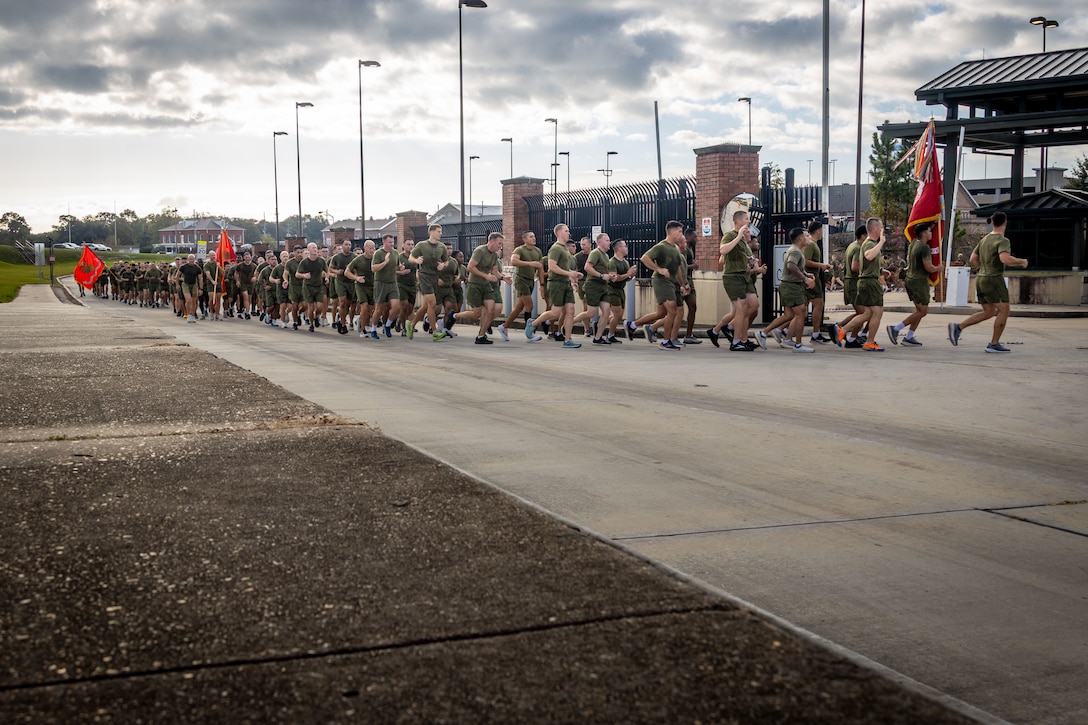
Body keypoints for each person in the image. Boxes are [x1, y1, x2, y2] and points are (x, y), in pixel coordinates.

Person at [948, 212, 1028, 353]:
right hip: (994, 279)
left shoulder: (984, 240)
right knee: (1005, 310)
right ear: (1005, 223)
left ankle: (958, 327)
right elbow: (1005, 259)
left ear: (992, 223)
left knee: (988, 312)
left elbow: (973, 258)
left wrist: (982, 268)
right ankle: (994, 343)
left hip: (981, 278)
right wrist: (1021, 261)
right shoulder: (1003, 240)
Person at [707, 211, 759, 351]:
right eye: (746, 219)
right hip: (733, 276)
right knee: (741, 307)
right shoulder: (730, 235)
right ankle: (736, 342)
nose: (748, 221)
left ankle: (730, 327)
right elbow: (723, 251)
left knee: (753, 305)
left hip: (744, 276)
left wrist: (754, 262)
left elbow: (749, 258)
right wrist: (739, 236)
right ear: (739, 221)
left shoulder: (744, 241)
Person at [886, 222, 943, 346]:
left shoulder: (913, 244)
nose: (931, 233)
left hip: (911, 279)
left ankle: (909, 337)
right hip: (919, 281)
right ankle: (896, 329)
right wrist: (938, 268)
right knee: (923, 311)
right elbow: (928, 267)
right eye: (929, 231)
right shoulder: (924, 247)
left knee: (919, 311)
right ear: (923, 233)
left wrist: (933, 223)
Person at [526, 223, 582, 348]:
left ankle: (568, 340)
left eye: (568, 231)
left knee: (570, 311)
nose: (569, 233)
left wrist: (572, 277)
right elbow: (552, 267)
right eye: (566, 231)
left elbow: (564, 267)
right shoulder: (555, 248)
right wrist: (569, 273)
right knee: (556, 313)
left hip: (565, 283)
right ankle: (533, 323)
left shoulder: (564, 249)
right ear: (559, 233)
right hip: (556, 283)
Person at [835, 218, 887, 352]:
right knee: (877, 312)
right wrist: (881, 242)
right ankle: (869, 342)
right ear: (875, 229)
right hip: (869, 282)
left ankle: (843, 330)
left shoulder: (867, 243)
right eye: (881, 227)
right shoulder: (870, 243)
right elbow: (869, 256)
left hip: (865, 281)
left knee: (867, 313)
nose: (883, 229)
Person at [760, 228, 815, 353]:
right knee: (801, 313)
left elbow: (795, 267)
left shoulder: (797, 251)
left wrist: (807, 274)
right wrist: (805, 279)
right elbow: (791, 266)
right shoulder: (795, 251)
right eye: (807, 235)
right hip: (791, 287)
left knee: (789, 315)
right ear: (800, 238)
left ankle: (764, 333)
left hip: (789, 286)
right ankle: (798, 345)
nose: (809, 237)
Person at [452, 232, 510, 344]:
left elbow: (494, 271)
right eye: (499, 243)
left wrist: (503, 278)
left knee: (491, 309)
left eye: (501, 244)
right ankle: (454, 316)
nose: (500, 246)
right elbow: (470, 267)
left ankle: (481, 336)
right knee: (476, 314)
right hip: (475, 285)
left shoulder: (494, 255)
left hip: (486, 285)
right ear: (492, 241)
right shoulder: (480, 250)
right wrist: (486, 276)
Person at [640, 220, 686, 351]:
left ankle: (637, 326)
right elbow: (645, 258)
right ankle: (666, 342)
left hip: (671, 283)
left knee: (662, 313)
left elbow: (677, 268)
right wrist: (658, 269)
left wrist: (682, 284)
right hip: (661, 281)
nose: (681, 234)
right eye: (679, 231)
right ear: (671, 232)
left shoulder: (675, 248)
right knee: (672, 310)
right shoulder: (661, 246)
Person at [499, 231, 545, 342]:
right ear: (524, 239)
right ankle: (530, 333)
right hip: (521, 279)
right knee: (530, 305)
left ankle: (504, 326)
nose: (534, 238)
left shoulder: (537, 251)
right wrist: (530, 263)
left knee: (519, 307)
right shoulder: (519, 250)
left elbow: (540, 268)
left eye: (534, 236)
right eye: (531, 237)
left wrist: (542, 284)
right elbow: (513, 261)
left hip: (531, 280)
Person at [407, 224, 450, 341]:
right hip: (424, 275)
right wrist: (416, 260)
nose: (440, 233)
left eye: (441, 231)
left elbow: (446, 261)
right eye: (438, 231)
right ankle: (435, 331)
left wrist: (443, 265)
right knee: (432, 303)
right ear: (431, 232)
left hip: (434, 276)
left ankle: (411, 325)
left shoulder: (442, 247)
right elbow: (410, 258)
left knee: (426, 305)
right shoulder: (422, 245)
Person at [572, 232, 616, 345]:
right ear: (599, 242)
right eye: (607, 240)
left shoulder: (606, 256)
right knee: (591, 312)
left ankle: (598, 337)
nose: (609, 242)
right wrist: (601, 275)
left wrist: (610, 276)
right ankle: (570, 323)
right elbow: (587, 267)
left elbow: (604, 271)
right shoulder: (595, 253)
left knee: (606, 312)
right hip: (593, 285)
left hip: (603, 286)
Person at [803, 221, 832, 343]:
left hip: (810, 277)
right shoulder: (811, 245)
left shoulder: (812, 244)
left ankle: (783, 330)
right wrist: (821, 265)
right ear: (819, 231)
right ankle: (816, 334)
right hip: (811, 277)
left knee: (803, 308)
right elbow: (805, 261)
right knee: (818, 305)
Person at [606, 239, 637, 343]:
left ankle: (603, 326)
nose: (627, 248)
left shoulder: (625, 262)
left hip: (621, 290)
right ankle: (610, 335)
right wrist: (628, 274)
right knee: (617, 314)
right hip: (612, 289)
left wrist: (631, 275)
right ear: (619, 248)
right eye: (625, 246)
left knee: (619, 316)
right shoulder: (612, 262)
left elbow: (625, 278)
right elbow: (615, 278)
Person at [371, 234, 402, 338]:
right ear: (384, 242)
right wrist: (385, 262)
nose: (392, 244)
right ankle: (373, 330)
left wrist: (401, 268)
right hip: (380, 282)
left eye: (393, 242)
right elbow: (374, 268)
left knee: (397, 307)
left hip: (392, 282)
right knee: (379, 308)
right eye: (389, 242)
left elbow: (397, 266)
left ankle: (387, 325)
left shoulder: (396, 253)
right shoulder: (378, 253)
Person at [346, 240, 378, 339]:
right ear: (365, 248)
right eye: (370, 248)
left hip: (373, 286)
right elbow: (347, 272)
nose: (372, 250)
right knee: (364, 306)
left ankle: (362, 321)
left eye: (373, 248)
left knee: (371, 309)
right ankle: (363, 329)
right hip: (361, 286)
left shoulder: (376, 259)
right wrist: (356, 278)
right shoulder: (358, 260)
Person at [294, 242, 327, 332]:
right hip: (308, 286)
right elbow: (297, 274)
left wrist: (327, 277)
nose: (315, 249)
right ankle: (311, 324)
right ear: (308, 250)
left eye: (316, 247)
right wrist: (304, 275)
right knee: (310, 307)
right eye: (313, 248)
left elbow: (326, 271)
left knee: (320, 307)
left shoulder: (321, 261)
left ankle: (316, 317)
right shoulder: (304, 262)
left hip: (319, 286)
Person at [680, 228, 701, 344]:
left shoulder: (690, 249)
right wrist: (693, 266)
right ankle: (653, 328)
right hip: (683, 281)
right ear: (687, 238)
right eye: (695, 237)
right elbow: (681, 266)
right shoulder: (684, 249)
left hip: (689, 281)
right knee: (675, 310)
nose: (696, 239)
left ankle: (689, 335)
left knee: (693, 307)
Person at [396, 239, 418, 333]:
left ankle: (399, 320)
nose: (411, 246)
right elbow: (392, 271)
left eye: (412, 244)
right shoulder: (399, 257)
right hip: (401, 284)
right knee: (403, 306)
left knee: (410, 308)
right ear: (403, 246)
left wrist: (418, 280)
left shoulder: (415, 258)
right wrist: (401, 272)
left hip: (412, 285)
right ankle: (404, 328)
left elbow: (418, 270)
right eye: (408, 244)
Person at [177, 254, 204, 323]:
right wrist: (177, 284)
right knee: (188, 300)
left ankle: (192, 314)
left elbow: (200, 278)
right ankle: (188, 314)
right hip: (185, 284)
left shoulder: (197, 268)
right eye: (190, 259)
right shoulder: (183, 267)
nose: (192, 260)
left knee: (194, 301)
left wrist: (201, 289)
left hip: (194, 284)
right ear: (188, 260)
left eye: (193, 259)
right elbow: (177, 275)